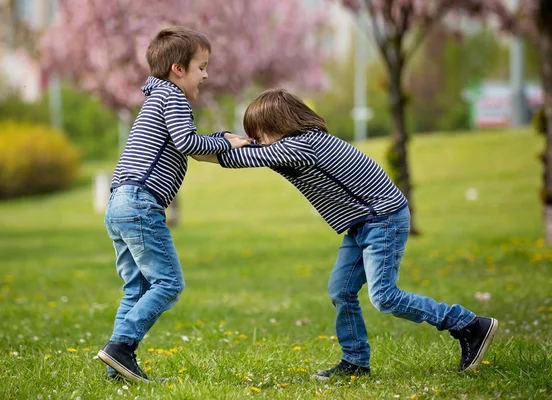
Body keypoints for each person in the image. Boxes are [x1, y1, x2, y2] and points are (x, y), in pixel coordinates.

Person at [191, 88, 498, 379]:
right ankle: (355, 362)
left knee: (385, 297)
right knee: (342, 290)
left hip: (382, 219)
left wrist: (190, 143)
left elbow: (236, 157)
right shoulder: (298, 144)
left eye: (259, 133)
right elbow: (239, 152)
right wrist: (219, 140)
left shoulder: (302, 147)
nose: (257, 140)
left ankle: (469, 325)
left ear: (279, 125)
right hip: (362, 223)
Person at [97, 26, 250, 383]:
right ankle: (121, 347)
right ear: (178, 69)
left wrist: (228, 144)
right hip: (140, 204)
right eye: (201, 67)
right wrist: (225, 140)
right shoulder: (173, 98)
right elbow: (187, 142)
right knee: (168, 283)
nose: (206, 75)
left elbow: (192, 149)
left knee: (135, 288)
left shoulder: (156, 98)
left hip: (119, 204)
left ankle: (116, 369)